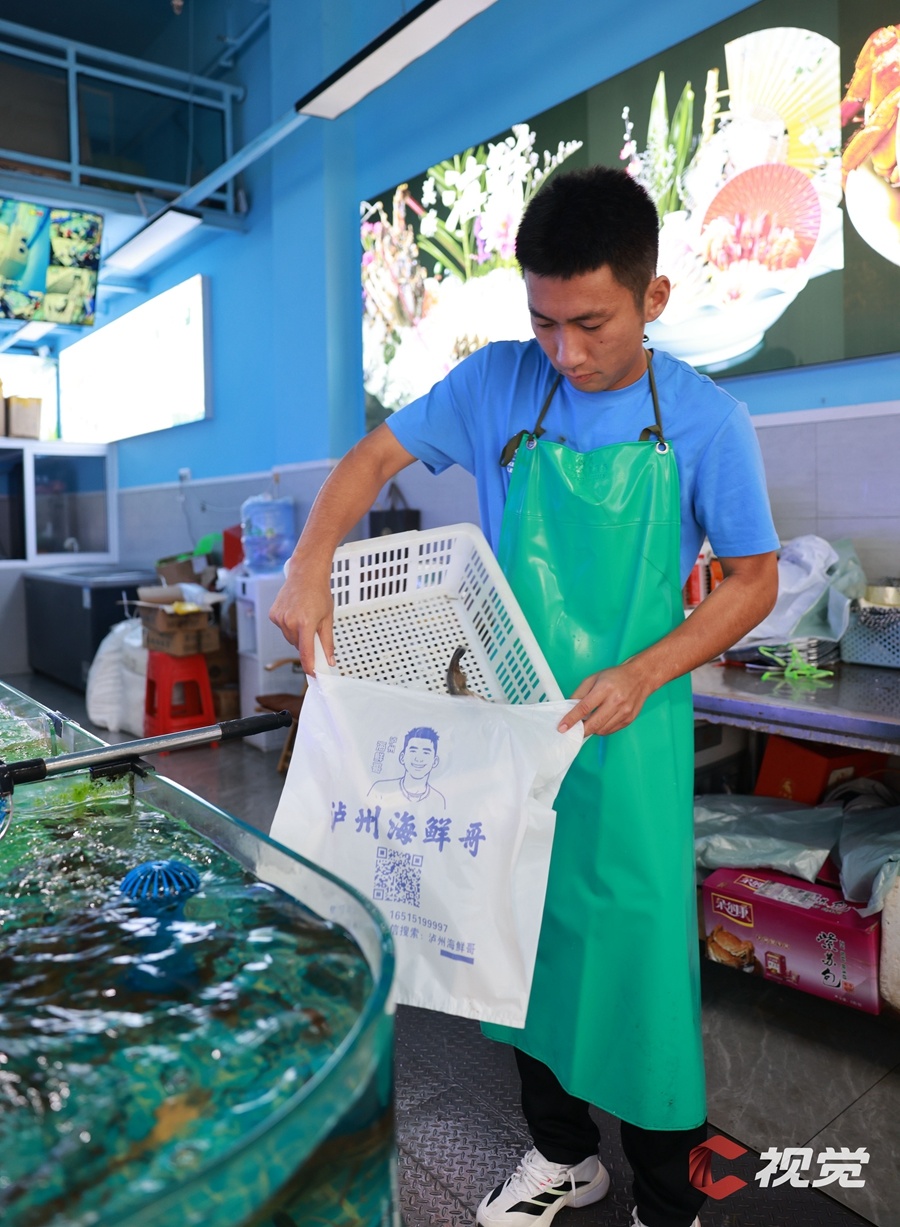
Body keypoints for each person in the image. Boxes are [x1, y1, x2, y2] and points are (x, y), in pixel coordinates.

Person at [270, 165, 779, 1227]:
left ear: (653, 297)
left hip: (631, 739)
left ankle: (664, 1194)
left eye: (590, 323)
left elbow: (753, 580)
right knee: (521, 947)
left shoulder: (709, 421)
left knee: (638, 968)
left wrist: (643, 670)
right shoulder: (496, 383)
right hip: (509, 726)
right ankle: (560, 1155)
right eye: (544, 322)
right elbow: (371, 460)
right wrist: (309, 563)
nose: (565, 352)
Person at [367, 725, 446, 811]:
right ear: (402, 757)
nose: (418, 758)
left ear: (435, 761)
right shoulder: (380, 789)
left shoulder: (438, 800)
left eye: (426, 753)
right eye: (413, 751)